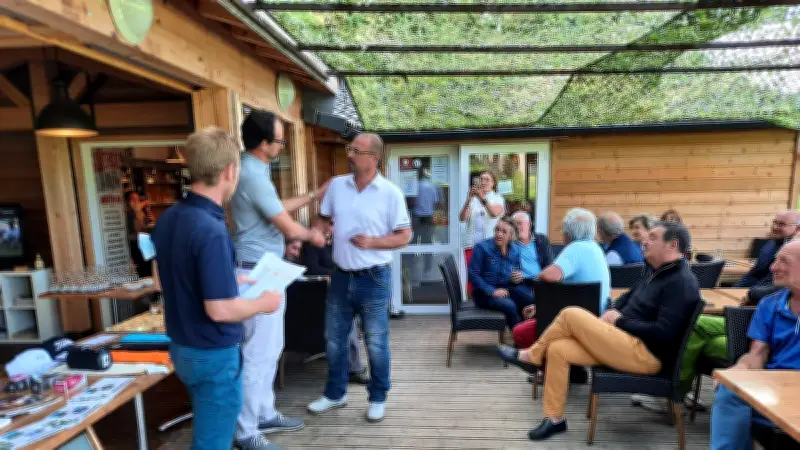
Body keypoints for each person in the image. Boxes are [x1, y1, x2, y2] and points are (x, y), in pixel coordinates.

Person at [497, 221, 701, 441]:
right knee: (558, 349)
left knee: (571, 314)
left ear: (672, 245)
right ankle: (554, 419)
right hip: (625, 343)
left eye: (652, 237)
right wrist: (611, 312)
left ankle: (532, 356)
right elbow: (625, 299)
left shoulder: (680, 282)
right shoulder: (654, 271)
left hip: (648, 355)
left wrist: (620, 321)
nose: (644, 241)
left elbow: (664, 333)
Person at [151, 127, 283, 450]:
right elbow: (220, 309)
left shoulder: (169, 218)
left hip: (182, 348)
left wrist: (226, 275)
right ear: (229, 171)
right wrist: (264, 304)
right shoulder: (211, 228)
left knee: (208, 433)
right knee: (213, 443)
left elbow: (162, 277)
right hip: (213, 354)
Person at [229, 110, 327, 450]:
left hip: (265, 267)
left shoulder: (256, 169)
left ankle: (264, 413)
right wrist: (313, 235)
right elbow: (287, 225)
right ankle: (245, 431)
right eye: (281, 140)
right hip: (255, 271)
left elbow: (276, 209)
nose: (284, 146)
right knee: (257, 353)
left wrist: (312, 196)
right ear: (263, 143)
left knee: (270, 349)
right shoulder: (253, 174)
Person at [307, 133, 411, 423]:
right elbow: (322, 218)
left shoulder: (390, 193)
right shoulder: (338, 186)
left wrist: (373, 242)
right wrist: (322, 230)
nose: (350, 154)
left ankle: (378, 397)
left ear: (373, 158)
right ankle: (335, 394)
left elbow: (405, 235)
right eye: (349, 149)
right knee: (334, 340)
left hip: (375, 278)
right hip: (340, 276)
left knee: (376, 342)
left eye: (356, 150)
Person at [711, 240, 800, 450]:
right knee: (730, 391)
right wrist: (741, 368)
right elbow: (757, 354)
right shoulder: (770, 304)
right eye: (775, 259)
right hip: (775, 392)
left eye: (783, 261)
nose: (772, 267)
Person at [300, 218, 370, 385]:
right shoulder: (313, 245)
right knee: (349, 321)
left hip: (340, 290)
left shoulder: (337, 244)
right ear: (320, 225)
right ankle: (352, 369)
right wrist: (337, 272)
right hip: (318, 295)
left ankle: (352, 365)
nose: (334, 228)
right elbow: (311, 268)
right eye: (331, 224)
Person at [538, 208, 611, 314]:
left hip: (577, 319)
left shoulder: (576, 248)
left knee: (520, 330)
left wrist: (537, 276)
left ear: (568, 233)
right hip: (597, 314)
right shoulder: (595, 247)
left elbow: (549, 276)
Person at [468, 217, 535, 329]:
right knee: (510, 305)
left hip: (507, 287)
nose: (499, 234)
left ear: (511, 236)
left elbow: (517, 271)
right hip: (484, 294)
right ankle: (519, 340)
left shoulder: (515, 250)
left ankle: (528, 336)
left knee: (529, 298)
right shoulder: (481, 247)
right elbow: (473, 275)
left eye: (504, 232)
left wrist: (518, 277)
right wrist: (492, 291)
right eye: (497, 230)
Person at [508, 211, 554, 348]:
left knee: (548, 296)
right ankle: (525, 339)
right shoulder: (510, 244)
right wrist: (510, 275)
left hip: (542, 281)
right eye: (515, 224)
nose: (518, 227)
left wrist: (539, 277)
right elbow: (503, 266)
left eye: (521, 223)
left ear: (530, 224)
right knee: (527, 297)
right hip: (521, 284)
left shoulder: (541, 240)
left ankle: (539, 337)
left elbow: (550, 265)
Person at [459, 170, 505, 293]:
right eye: (481, 179)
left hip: (490, 247)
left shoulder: (497, 198)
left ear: (493, 184)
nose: (483, 182)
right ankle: (470, 308)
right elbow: (462, 218)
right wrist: (469, 199)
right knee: (471, 280)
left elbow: (494, 213)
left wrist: (482, 198)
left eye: (486, 179)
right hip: (471, 245)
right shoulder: (473, 200)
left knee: (488, 278)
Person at [735, 210, 800, 287]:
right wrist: (735, 288)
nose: (775, 227)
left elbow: (774, 283)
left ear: (797, 229)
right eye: (775, 222)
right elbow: (754, 273)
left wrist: (751, 293)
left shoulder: (795, 251)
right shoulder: (771, 243)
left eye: (781, 224)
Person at [125, 191, 152, 277]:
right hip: (135, 241)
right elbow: (135, 229)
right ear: (129, 201)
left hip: (145, 240)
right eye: (134, 199)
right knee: (141, 268)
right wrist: (144, 203)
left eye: (138, 199)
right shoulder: (128, 212)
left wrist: (148, 219)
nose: (137, 201)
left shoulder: (139, 211)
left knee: (150, 265)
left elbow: (144, 225)